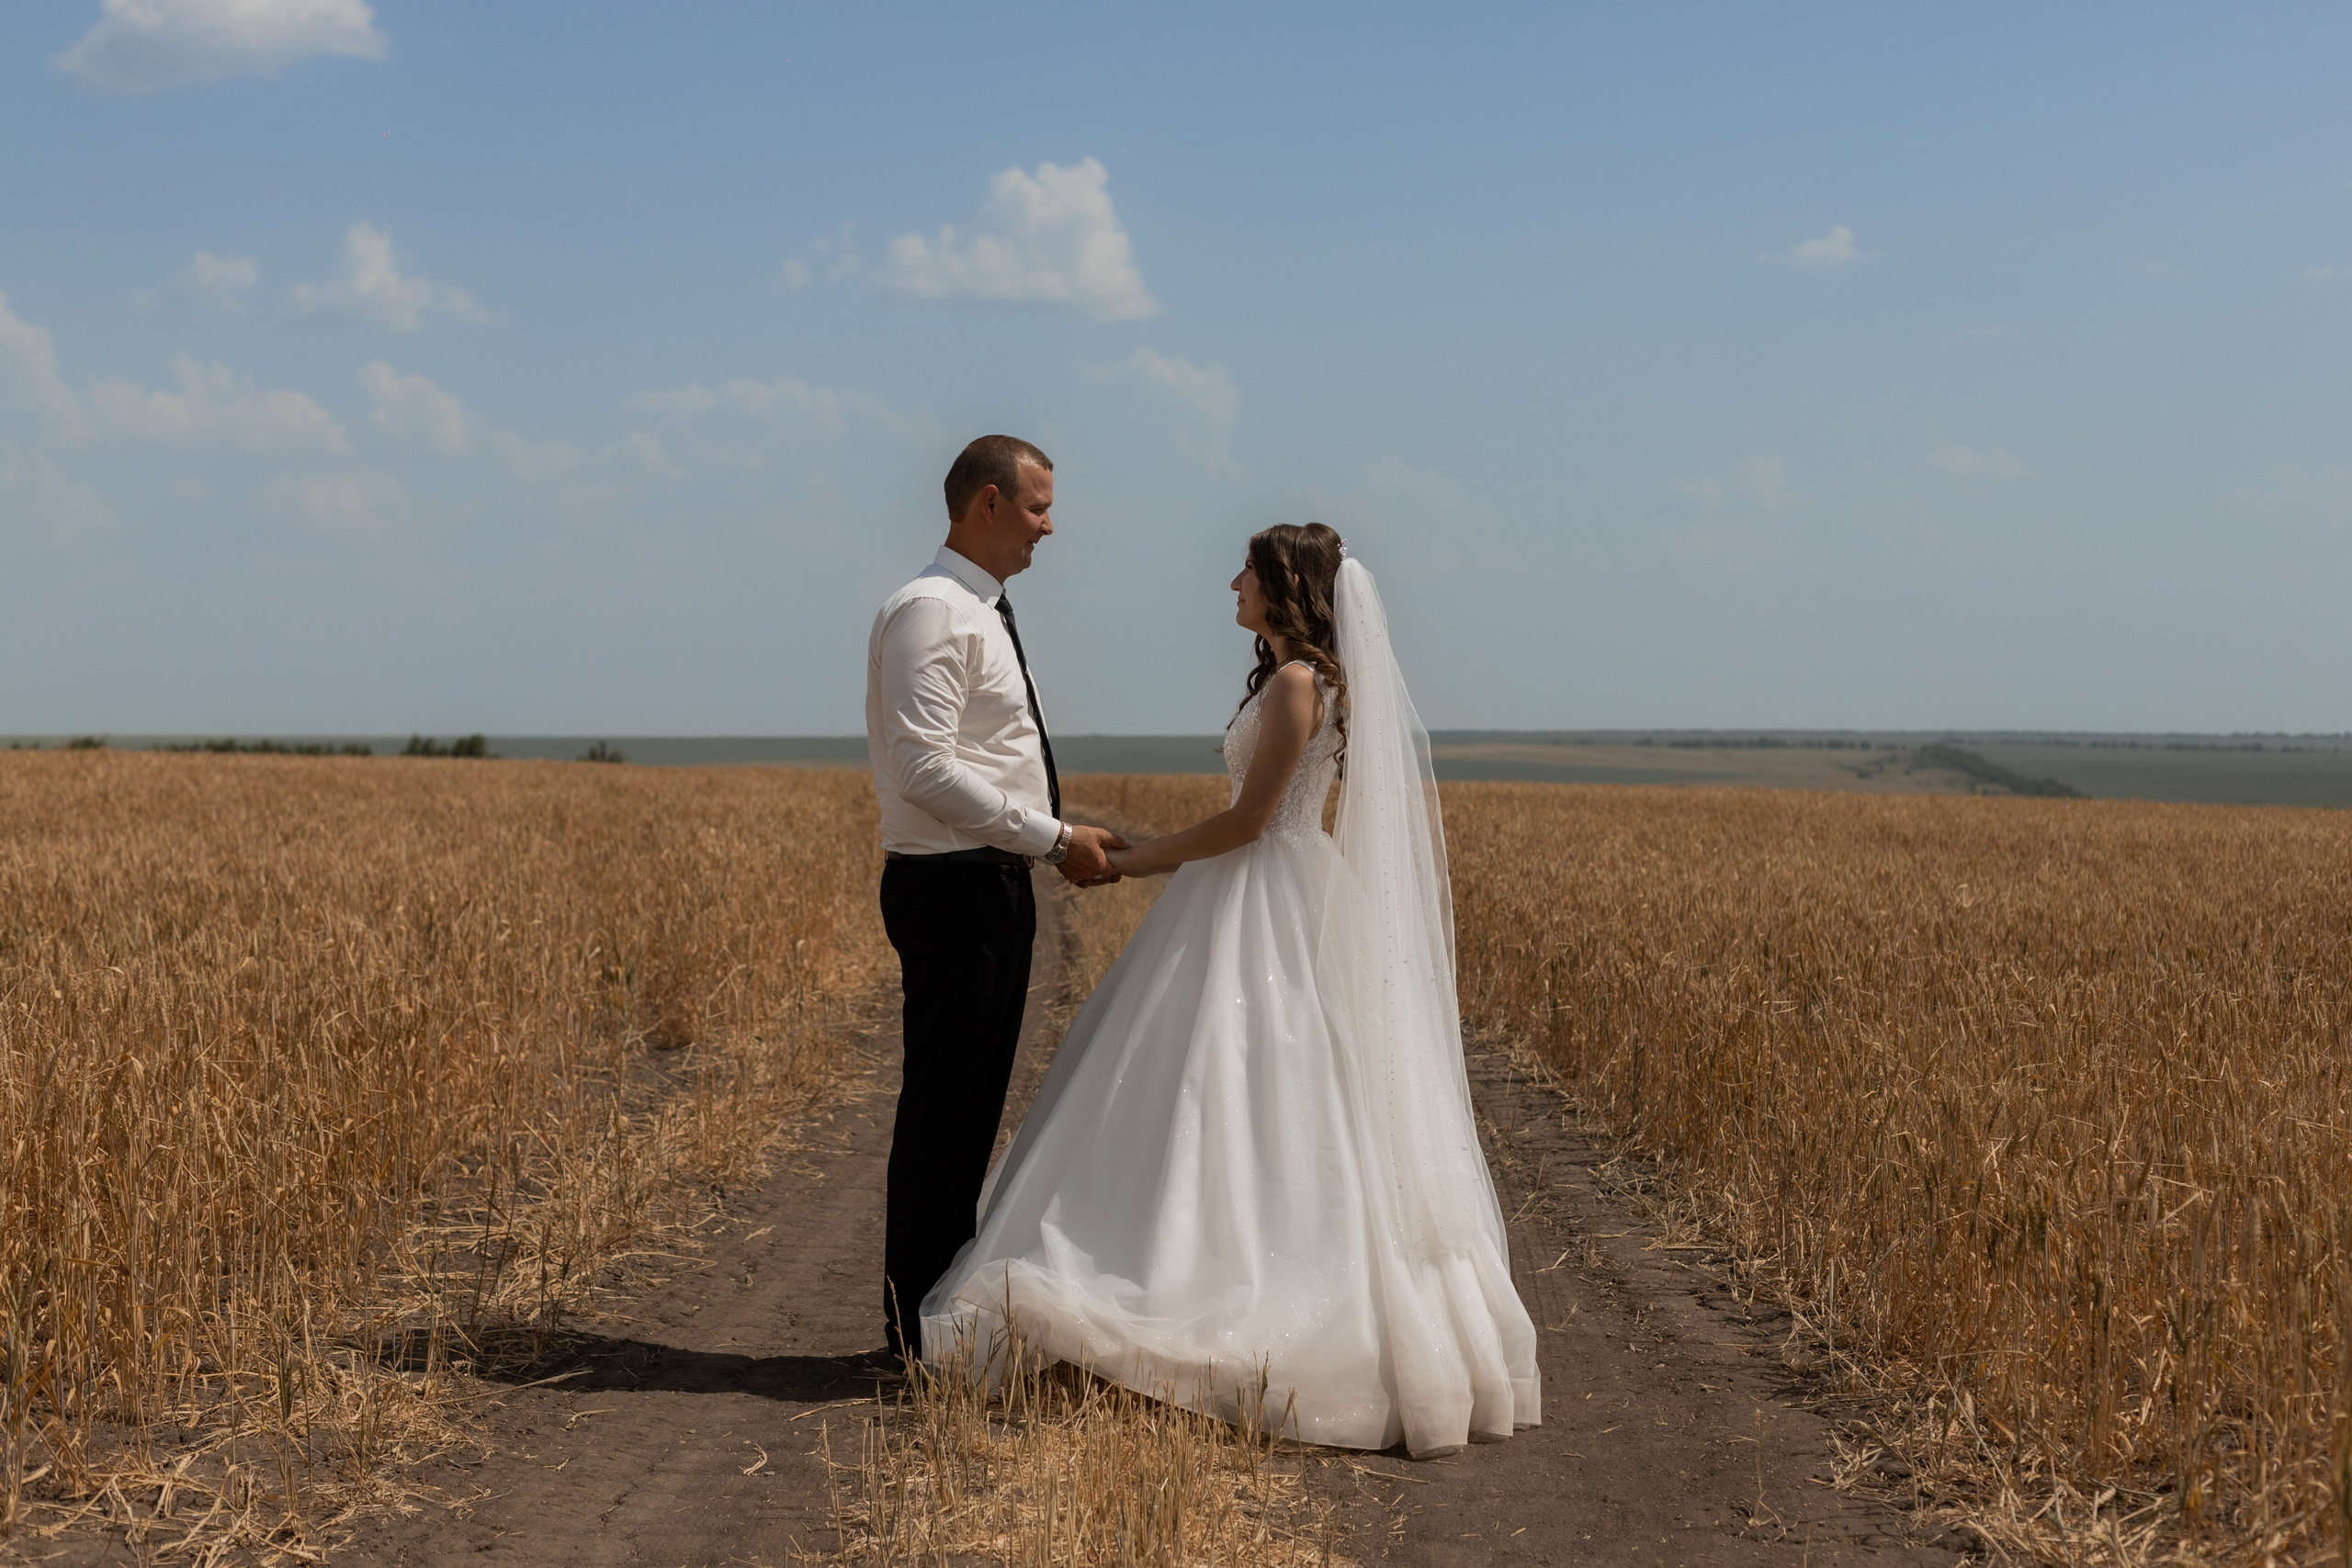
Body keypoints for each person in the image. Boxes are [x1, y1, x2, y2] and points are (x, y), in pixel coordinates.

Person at [921, 522, 1540, 1458]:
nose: (1230, 584)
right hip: (1270, 892)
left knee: (1239, 1078)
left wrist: (1134, 863)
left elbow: (1252, 823)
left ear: (1285, 584)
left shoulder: (1299, 684)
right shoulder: (1302, 678)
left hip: (1265, 891)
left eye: (1246, 571)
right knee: (1241, 1083)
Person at [865, 434, 1127, 1361]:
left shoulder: (976, 610)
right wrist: (1053, 839)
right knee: (947, 1109)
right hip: (953, 887)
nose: (1048, 526)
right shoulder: (934, 612)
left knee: (967, 1107)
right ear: (985, 503)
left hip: (983, 879)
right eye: (1035, 506)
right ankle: (914, 1336)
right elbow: (925, 767)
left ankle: (929, 1324)